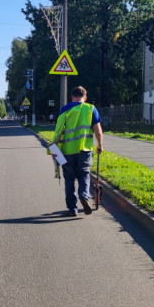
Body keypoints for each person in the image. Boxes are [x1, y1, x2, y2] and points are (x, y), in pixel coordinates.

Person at [50, 86, 103, 217]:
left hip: (67, 151)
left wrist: (54, 149)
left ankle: (72, 208)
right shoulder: (91, 108)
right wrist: (100, 145)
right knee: (84, 175)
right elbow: (98, 130)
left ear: (72, 97)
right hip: (84, 150)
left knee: (69, 179)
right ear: (85, 98)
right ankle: (84, 196)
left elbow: (58, 131)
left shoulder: (65, 109)